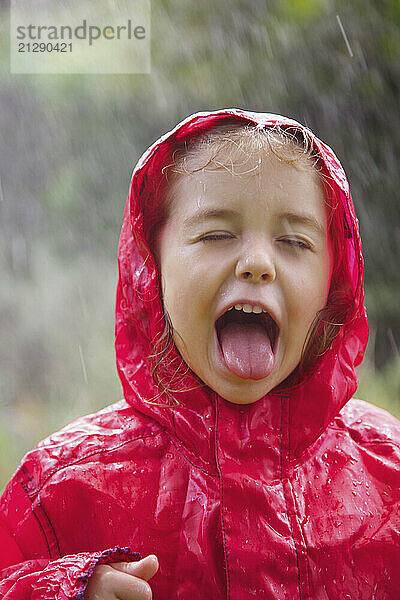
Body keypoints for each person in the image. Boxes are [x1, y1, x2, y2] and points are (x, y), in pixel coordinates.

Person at [1, 108, 399, 600]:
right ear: (153, 269)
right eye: (216, 234)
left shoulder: (389, 474)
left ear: (333, 284)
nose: (257, 263)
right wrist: (65, 588)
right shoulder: (63, 486)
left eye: (295, 241)